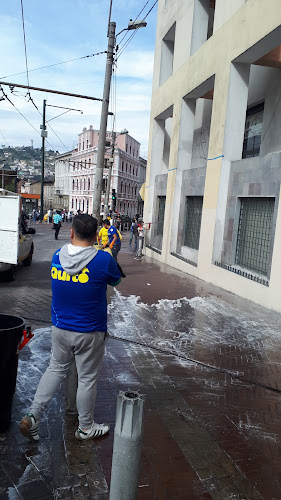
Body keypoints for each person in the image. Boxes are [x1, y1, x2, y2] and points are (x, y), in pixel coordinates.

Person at [19, 214, 121, 442]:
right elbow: (116, 281)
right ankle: (85, 427)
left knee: (55, 369)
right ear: (96, 236)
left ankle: (34, 415)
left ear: (71, 232)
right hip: (90, 332)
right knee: (86, 379)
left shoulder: (57, 256)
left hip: (60, 328)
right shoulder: (103, 260)